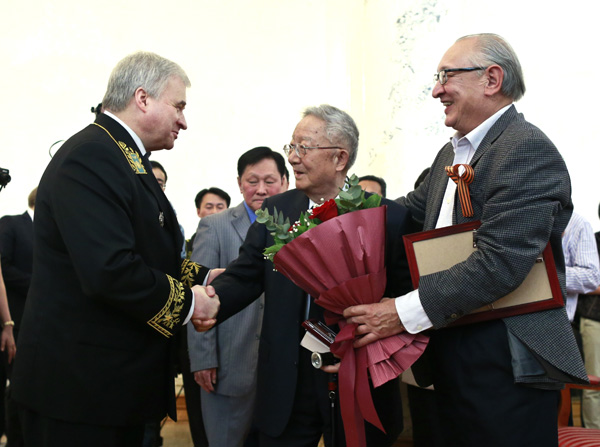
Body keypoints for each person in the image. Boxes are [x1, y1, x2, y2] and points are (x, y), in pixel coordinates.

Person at [344, 33, 587, 447]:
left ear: (492, 79)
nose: (437, 89)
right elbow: (406, 214)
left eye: (447, 75)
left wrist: (400, 313)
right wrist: (335, 213)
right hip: (452, 351)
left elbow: (499, 263)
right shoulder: (453, 153)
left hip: (506, 362)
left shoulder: (525, 148)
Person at [10, 51, 219, 447]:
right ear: (143, 99)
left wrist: (206, 277)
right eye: (179, 106)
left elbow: (152, 252)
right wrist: (192, 303)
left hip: (108, 387)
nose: (184, 121)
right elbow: (110, 270)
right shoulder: (93, 155)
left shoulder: (123, 156)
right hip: (79, 394)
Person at [197, 104, 413, 447]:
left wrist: (366, 355)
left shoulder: (387, 217)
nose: (293, 158)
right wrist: (210, 301)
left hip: (356, 378)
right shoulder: (276, 211)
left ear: (340, 158)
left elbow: (404, 304)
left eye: (304, 148)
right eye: (291, 147)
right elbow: (247, 274)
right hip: (286, 378)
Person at [188, 146, 286, 447]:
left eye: (269, 180)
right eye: (251, 180)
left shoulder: (296, 225)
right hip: (229, 364)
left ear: (285, 181)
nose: (260, 189)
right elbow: (200, 294)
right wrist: (203, 359)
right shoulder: (215, 226)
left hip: (279, 367)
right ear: (239, 182)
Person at [0, 186, 37, 447]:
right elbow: (3, 267)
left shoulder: (56, 234)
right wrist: (41, 284)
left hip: (43, 326)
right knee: (17, 389)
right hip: (14, 321)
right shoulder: (12, 224)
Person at [578, 203, 600, 429]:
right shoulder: (593, 240)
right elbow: (587, 281)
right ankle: (595, 433)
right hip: (595, 319)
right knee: (594, 382)